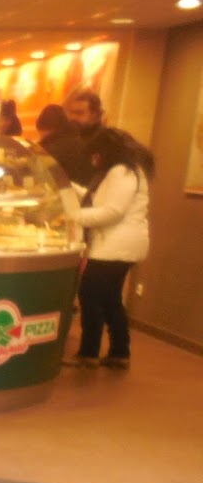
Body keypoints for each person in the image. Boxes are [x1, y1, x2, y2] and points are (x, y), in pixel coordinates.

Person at [65, 127, 152, 370]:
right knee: (111, 298)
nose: (94, 159)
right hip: (120, 245)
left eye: (96, 153)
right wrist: (69, 187)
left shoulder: (122, 172)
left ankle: (89, 353)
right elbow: (99, 200)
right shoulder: (126, 171)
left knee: (91, 295)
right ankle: (119, 353)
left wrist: (72, 216)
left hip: (114, 246)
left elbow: (113, 211)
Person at [34, 103, 93, 187]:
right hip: (82, 190)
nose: (40, 137)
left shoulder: (50, 151)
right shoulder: (78, 140)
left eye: (40, 133)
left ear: (47, 130)